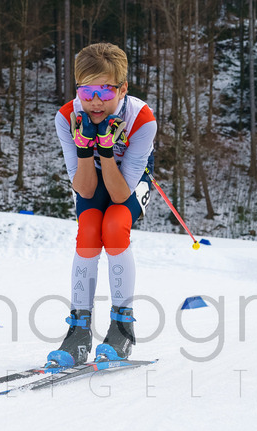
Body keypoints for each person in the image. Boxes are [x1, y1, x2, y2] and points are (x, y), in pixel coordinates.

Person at [47, 43, 157, 368]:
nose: (95, 101)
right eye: (87, 90)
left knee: (113, 225)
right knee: (89, 232)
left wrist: (106, 151)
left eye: (105, 91)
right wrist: (85, 149)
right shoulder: (67, 117)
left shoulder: (142, 120)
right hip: (92, 177)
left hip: (128, 182)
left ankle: (123, 327)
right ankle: (79, 331)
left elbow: (121, 194)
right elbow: (83, 188)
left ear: (123, 88)